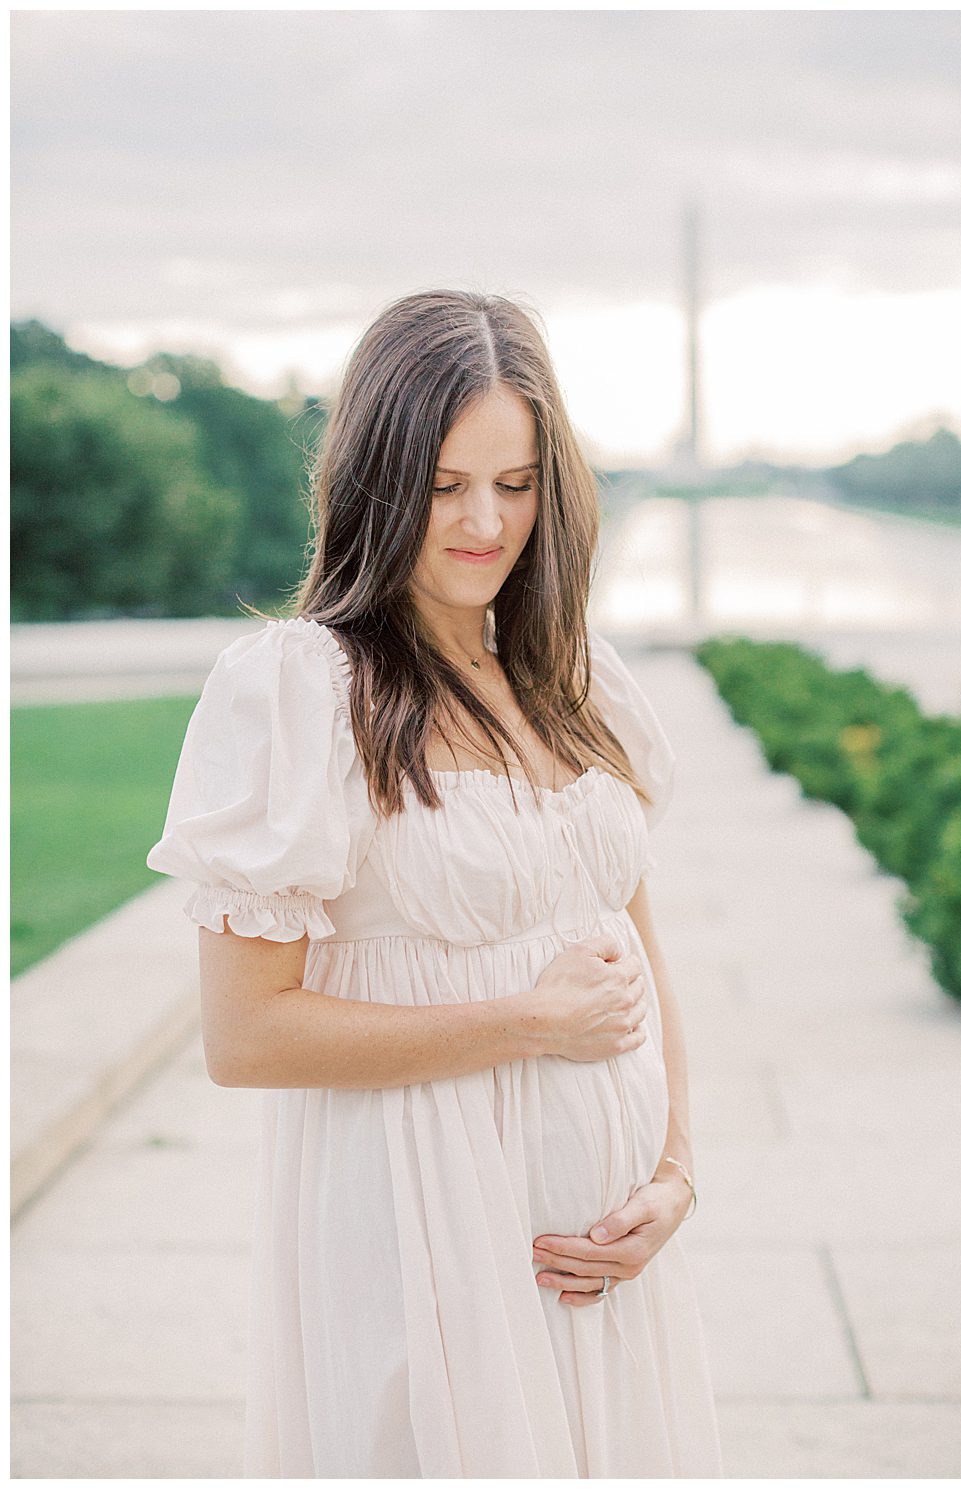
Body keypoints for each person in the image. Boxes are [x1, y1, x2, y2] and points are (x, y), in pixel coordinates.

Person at [146, 288, 724, 1478]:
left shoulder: (574, 677)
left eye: (514, 485)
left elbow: (636, 950)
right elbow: (245, 1034)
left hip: (603, 1271)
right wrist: (527, 1022)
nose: (482, 523)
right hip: (421, 1232)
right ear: (373, 478)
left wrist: (673, 1176)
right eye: (445, 484)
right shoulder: (303, 692)